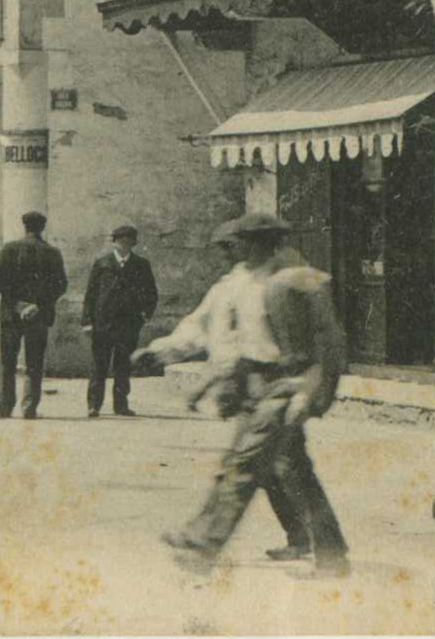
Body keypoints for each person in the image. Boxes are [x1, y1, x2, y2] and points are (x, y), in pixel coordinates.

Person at [134, 212, 349, 576]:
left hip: (285, 385)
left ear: (265, 242)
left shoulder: (296, 281)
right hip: (254, 385)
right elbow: (211, 331)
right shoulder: (237, 283)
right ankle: (332, 556)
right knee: (293, 473)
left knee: (244, 468)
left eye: (245, 242)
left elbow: (328, 344)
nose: (237, 249)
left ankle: (204, 547)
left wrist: (310, 392)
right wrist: (162, 352)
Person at [0, 210, 68, 418]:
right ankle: (29, 408)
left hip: (11, 314)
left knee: (7, 361)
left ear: (24, 226)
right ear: (42, 228)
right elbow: (61, 285)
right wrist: (38, 306)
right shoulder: (53, 253)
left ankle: (4, 408)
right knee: (34, 362)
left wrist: (18, 304)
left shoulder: (9, 249)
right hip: (38, 316)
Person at [82, 223, 158, 417]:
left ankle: (121, 405)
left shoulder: (141, 265)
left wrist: (145, 314)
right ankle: (94, 405)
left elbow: (151, 292)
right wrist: (87, 321)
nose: (124, 245)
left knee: (123, 365)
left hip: (129, 324)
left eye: (128, 242)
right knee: (99, 365)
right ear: (114, 242)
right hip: (102, 323)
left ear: (133, 244)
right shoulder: (102, 263)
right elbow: (91, 294)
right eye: (120, 241)